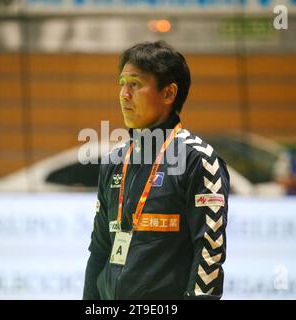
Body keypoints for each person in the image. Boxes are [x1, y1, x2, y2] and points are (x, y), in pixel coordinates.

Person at [83, 41, 230, 300]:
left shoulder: (198, 160)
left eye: (135, 84)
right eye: (122, 84)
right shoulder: (114, 160)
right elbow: (99, 251)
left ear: (168, 93)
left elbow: (209, 254)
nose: (124, 94)